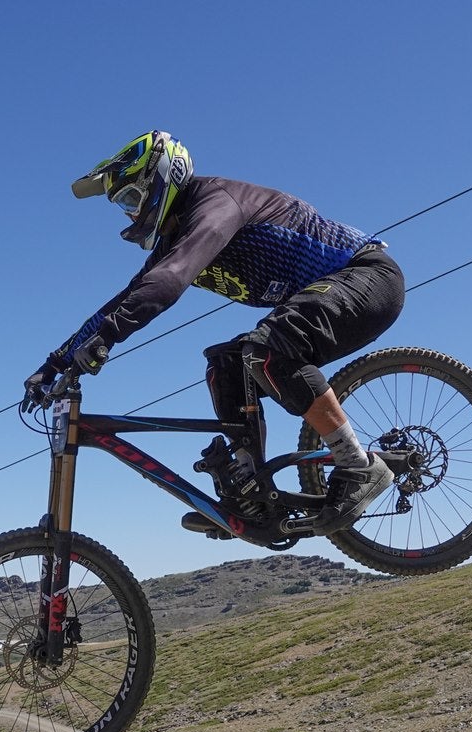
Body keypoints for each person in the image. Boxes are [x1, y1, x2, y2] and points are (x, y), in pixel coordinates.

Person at [22, 131, 407, 534]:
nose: (130, 214)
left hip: (366, 277)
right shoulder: (178, 234)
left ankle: (358, 466)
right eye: (123, 206)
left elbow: (168, 281)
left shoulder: (215, 204)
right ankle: (249, 488)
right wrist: (54, 364)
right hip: (324, 295)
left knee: (267, 349)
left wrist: (108, 337)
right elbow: (124, 300)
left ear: (163, 178)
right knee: (225, 363)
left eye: (132, 199)